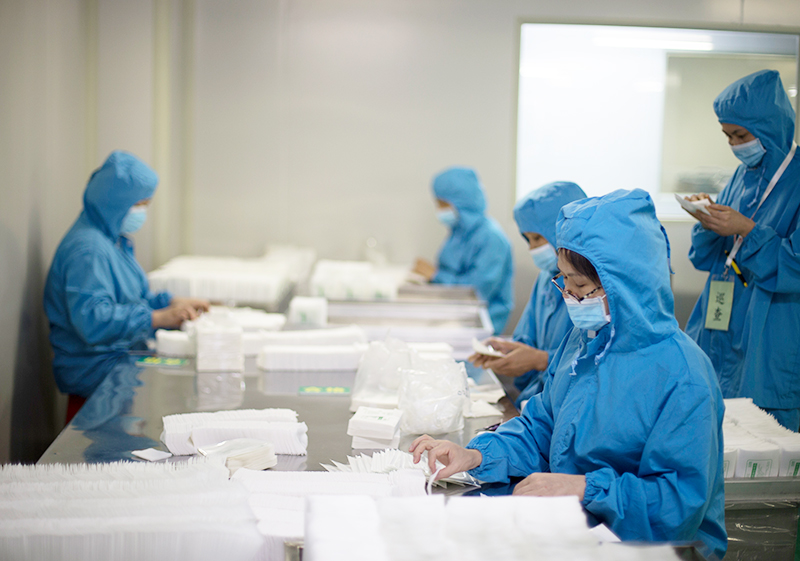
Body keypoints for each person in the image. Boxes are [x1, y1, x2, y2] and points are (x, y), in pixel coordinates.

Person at [411, 189, 727, 559]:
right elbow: (542, 427)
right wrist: (476, 455)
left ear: (627, 285)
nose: (570, 296)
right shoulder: (583, 342)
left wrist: (584, 488)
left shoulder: (682, 374)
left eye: (581, 286)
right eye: (564, 281)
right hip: (574, 528)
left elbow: (677, 504)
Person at [44, 151, 209, 413]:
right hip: (96, 382)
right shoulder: (89, 250)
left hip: (115, 371)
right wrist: (157, 318)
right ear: (116, 202)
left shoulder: (113, 241)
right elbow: (92, 321)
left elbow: (132, 298)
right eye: (139, 204)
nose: (143, 212)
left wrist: (171, 303)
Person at [682, 69, 800, 431]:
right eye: (728, 136)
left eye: (741, 135)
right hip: (721, 319)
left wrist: (747, 230)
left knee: (764, 438)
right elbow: (708, 258)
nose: (734, 145)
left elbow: (794, 266)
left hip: (770, 333)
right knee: (712, 423)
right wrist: (707, 220)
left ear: (770, 126)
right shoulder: (739, 178)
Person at [469, 182, 585, 408]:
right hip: (535, 399)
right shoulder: (545, 278)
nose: (532, 248)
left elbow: (595, 359)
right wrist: (507, 351)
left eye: (538, 238)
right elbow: (527, 337)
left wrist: (541, 360)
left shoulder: (593, 288)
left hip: (568, 401)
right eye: (528, 239)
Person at [412, 167, 514, 334]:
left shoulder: (492, 238)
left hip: (479, 324)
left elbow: (476, 292)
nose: (439, 210)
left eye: (443, 204)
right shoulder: (459, 231)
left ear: (462, 201)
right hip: (454, 312)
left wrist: (435, 275)